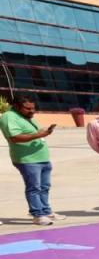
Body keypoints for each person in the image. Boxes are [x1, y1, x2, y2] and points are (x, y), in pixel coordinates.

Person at [1, 96, 60, 226]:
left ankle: (46, 211)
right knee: (34, 188)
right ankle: (37, 215)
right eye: (28, 108)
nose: (32, 110)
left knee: (44, 187)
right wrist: (39, 135)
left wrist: (45, 131)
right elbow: (15, 137)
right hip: (27, 159)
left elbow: (36, 132)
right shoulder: (9, 117)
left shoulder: (27, 117)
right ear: (16, 106)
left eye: (33, 108)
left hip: (42, 158)